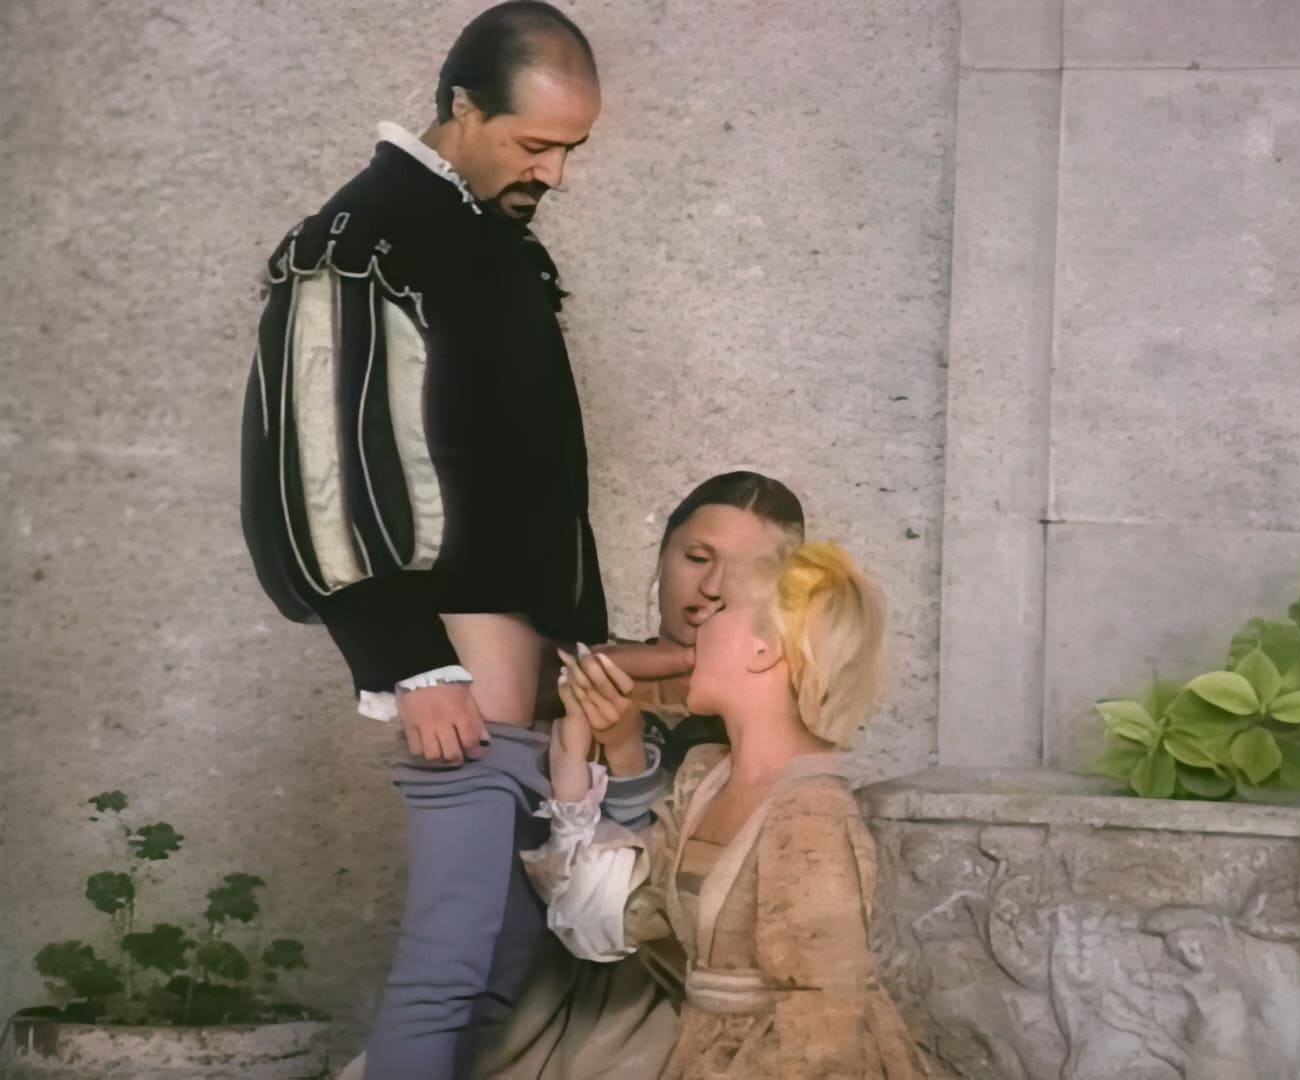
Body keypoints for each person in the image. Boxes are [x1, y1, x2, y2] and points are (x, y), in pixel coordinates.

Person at [238, 5, 617, 1077]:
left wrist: (578, 647)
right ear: (462, 106)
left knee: (505, 965)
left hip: (525, 681)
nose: (554, 173)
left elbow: (537, 481)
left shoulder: (493, 245)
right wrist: (407, 660)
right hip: (452, 668)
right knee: (452, 965)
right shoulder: (360, 242)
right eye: (534, 144)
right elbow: (312, 470)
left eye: (570, 150)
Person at [527, 544, 943, 1078]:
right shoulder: (705, 782)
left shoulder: (810, 813)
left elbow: (825, 1027)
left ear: (764, 649)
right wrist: (573, 767)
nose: (697, 622)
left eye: (720, 609)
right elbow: (603, 921)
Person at [475, 470, 806, 1079]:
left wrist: (628, 757)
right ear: (663, 556)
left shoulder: (773, 715)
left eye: (747, 572)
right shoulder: (569, 674)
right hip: (542, 972)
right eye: (697, 558)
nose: (711, 589)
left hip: (671, 986)